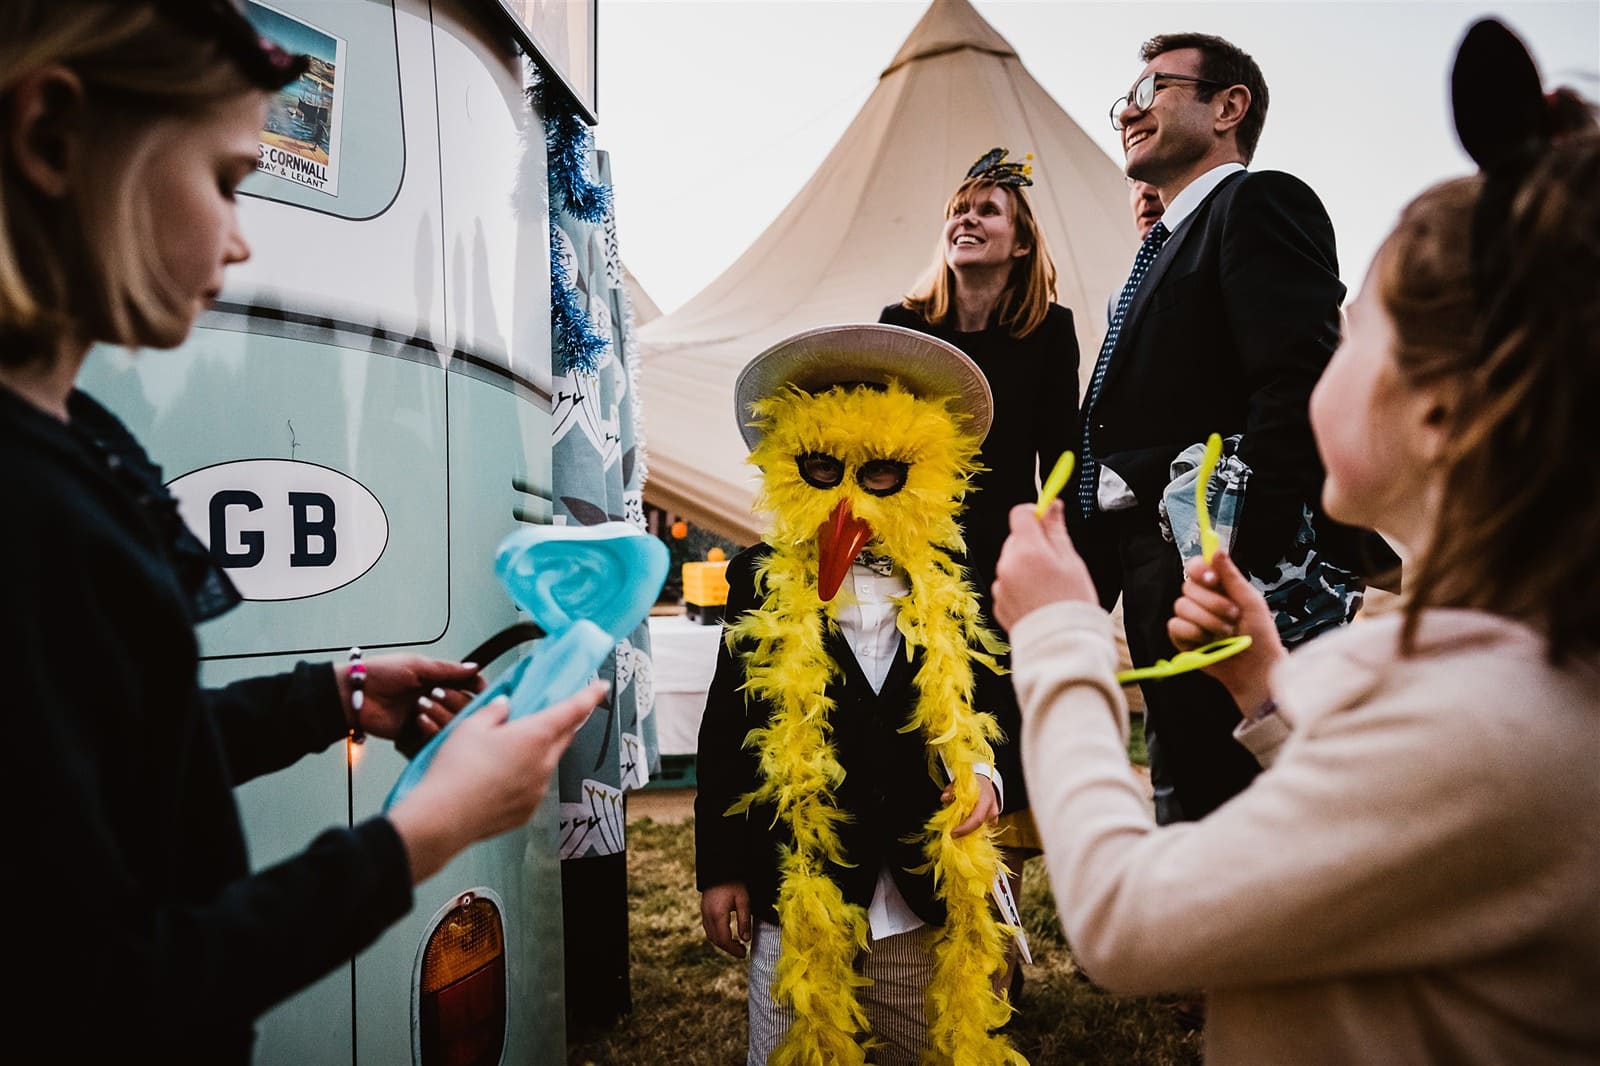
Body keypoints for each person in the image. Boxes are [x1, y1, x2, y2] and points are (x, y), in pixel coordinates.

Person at [0, 2, 602, 1059]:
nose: (240, 238)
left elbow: (122, 750)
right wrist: (424, 833)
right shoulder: (26, 500)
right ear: (54, 137)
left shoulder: (71, 440)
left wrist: (336, 696)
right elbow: (109, 993)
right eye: (226, 179)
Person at [991, 20, 1600, 1064]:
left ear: (1440, 411)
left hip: (1211, 549)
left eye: (1359, 331)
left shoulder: (1486, 712)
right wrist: (1269, 691)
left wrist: (1057, 636)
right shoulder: (1491, 676)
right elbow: (1377, 816)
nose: (1332, 345)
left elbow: (1124, 920)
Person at [1075, 33, 1394, 827]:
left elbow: (1297, 386)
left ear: (1228, 107)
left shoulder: (1257, 203)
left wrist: (1236, 567)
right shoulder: (1157, 251)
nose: (1128, 112)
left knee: (1249, 816)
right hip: (1155, 573)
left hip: (1223, 579)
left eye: (1150, 90)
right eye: (1122, 101)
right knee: (1191, 807)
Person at [695, 324, 1018, 1065]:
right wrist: (721, 867)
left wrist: (987, 775)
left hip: (919, 896)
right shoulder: (757, 582)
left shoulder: (956, 585)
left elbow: (994, 698)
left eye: (879, 472)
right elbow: (726, 729)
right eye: (821, 467)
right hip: (799, 894)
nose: (848, 496)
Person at [877, 147, 1079, 1000]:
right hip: (911, 564)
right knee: (913, 736)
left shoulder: (1050, 332)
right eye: (959, 207)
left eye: (987, 209)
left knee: (997, 743)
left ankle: (994, 959)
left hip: (1002, 568)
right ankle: (909, 946)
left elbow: (1065, 457)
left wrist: (1057, 566)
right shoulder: (899, 322)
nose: (966, 218)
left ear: (1020, 241)